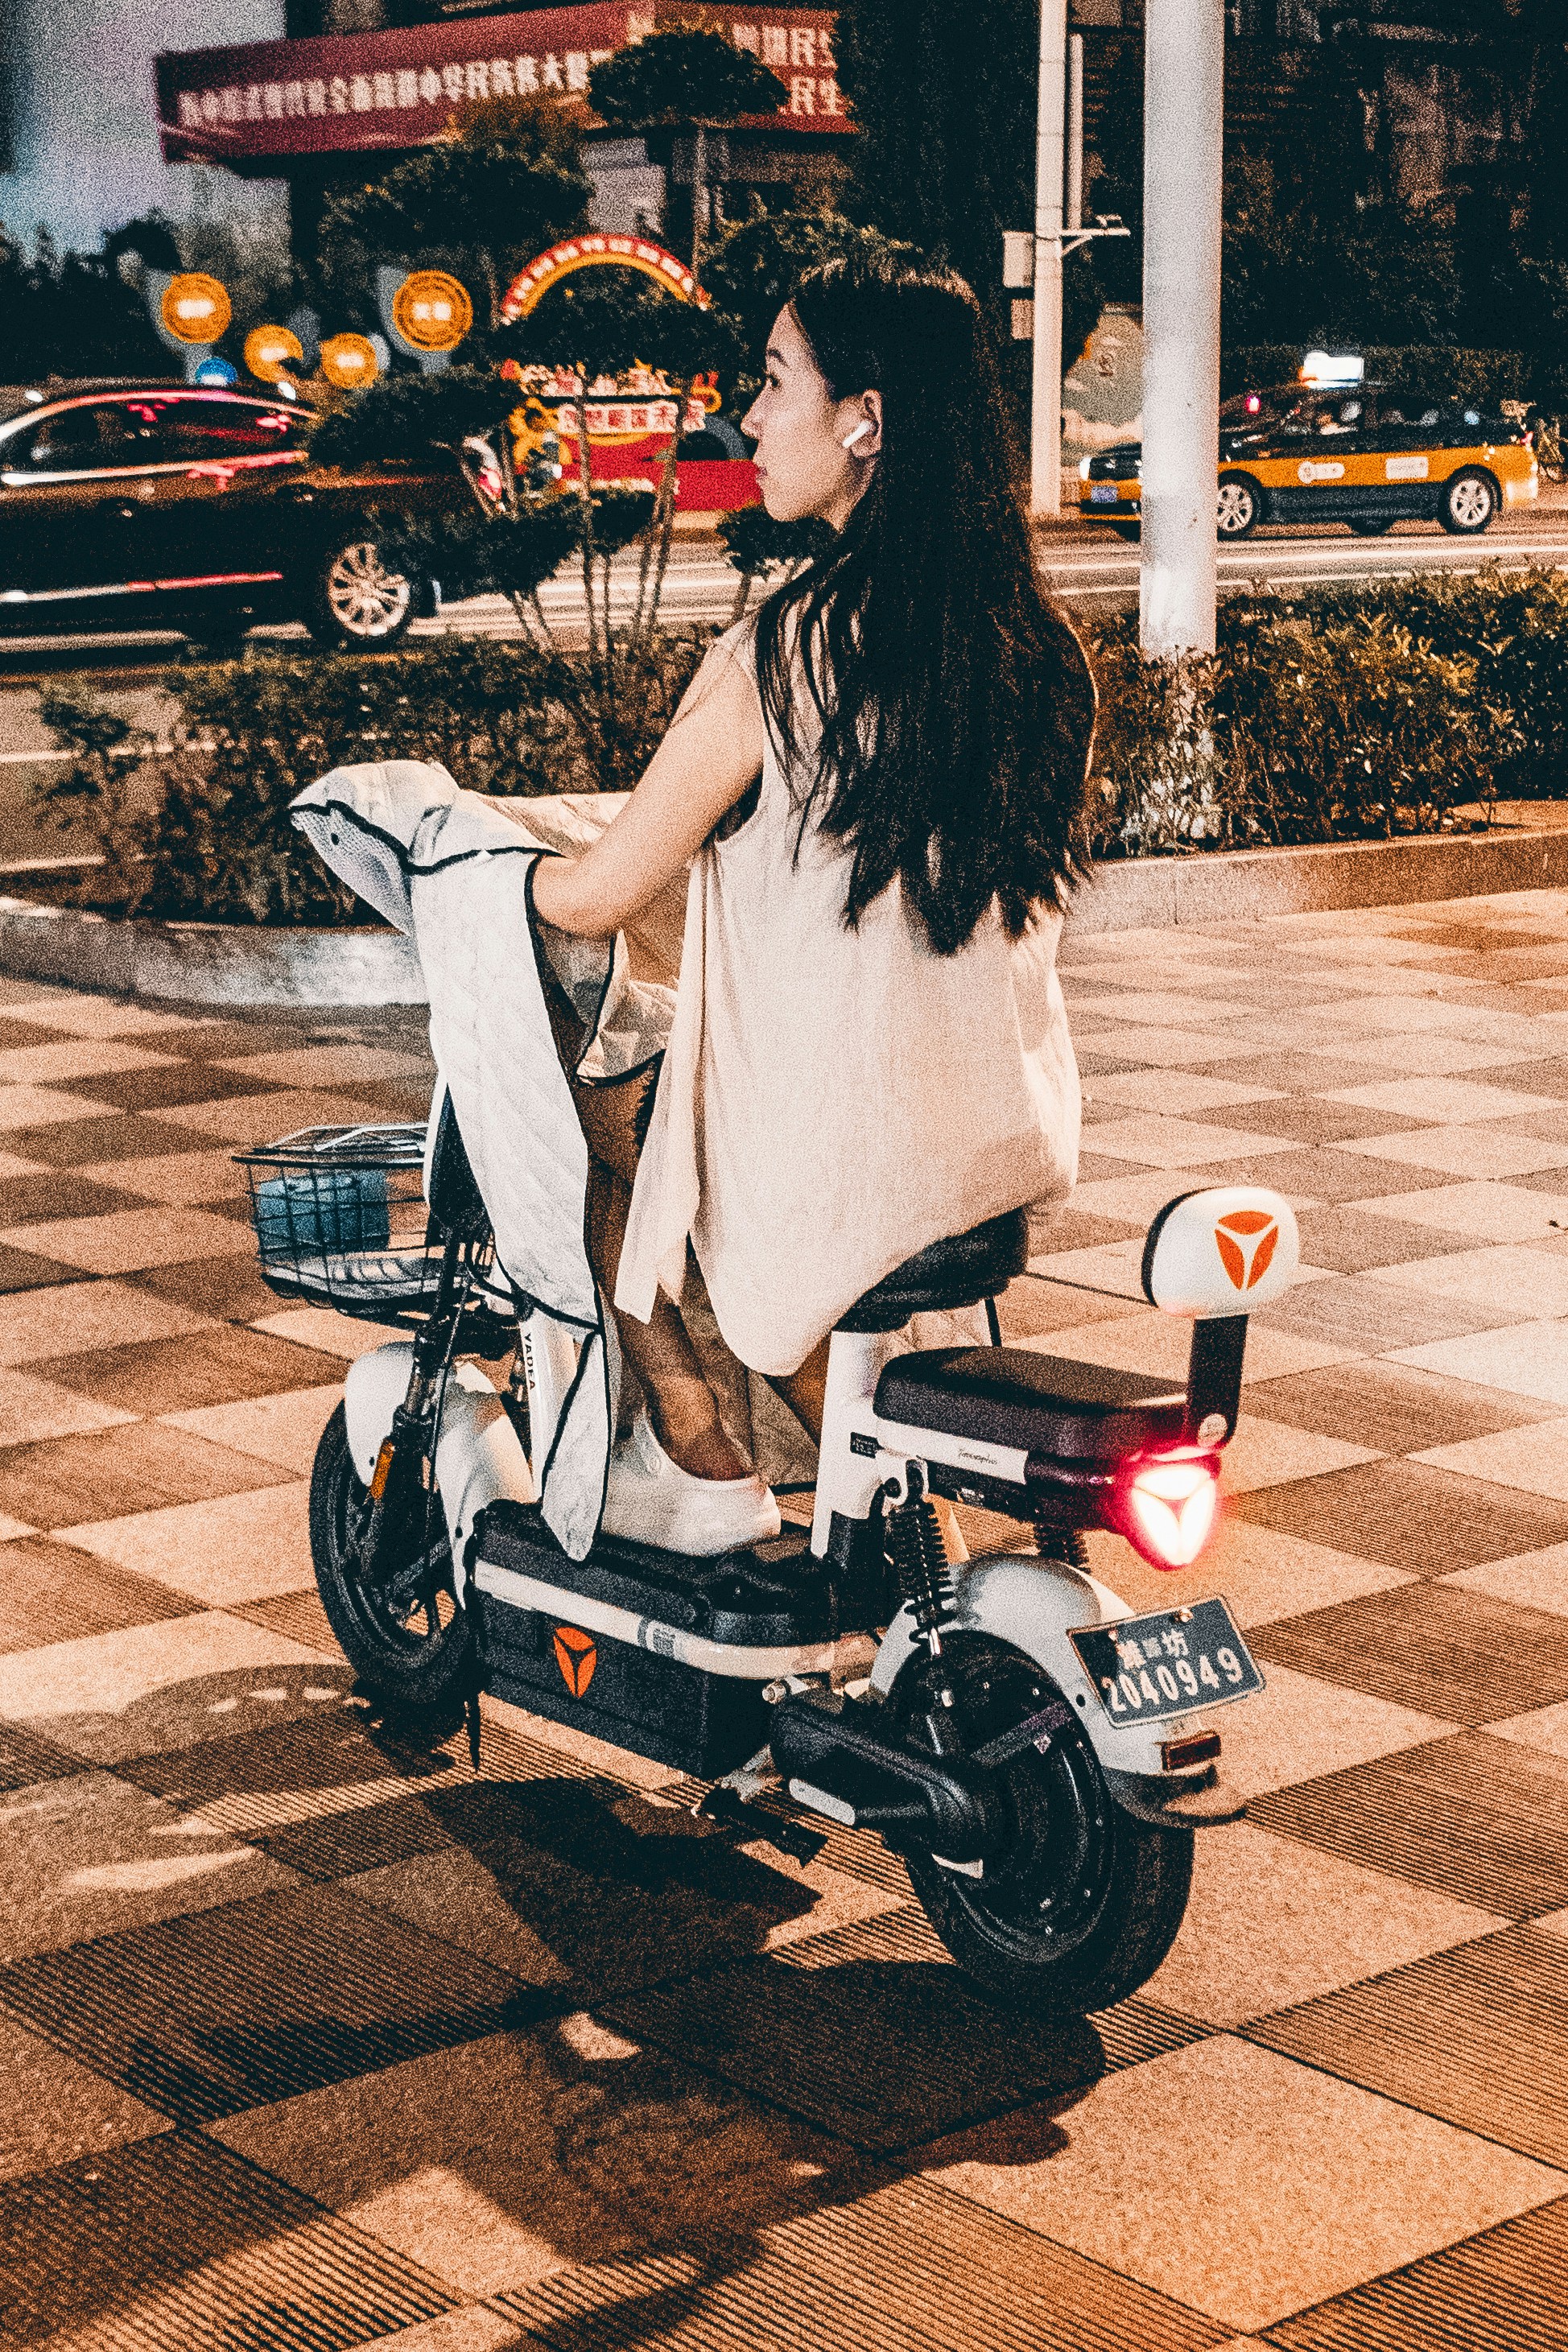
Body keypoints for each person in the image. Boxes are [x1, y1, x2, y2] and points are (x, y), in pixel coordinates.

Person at [530, 254, 1094, 1554]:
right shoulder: (1039, 651)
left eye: (777, 381)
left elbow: (607, 885)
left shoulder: (780, 654)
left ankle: (703, 1441)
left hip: (846, 1166)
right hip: (1004, 1144)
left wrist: (511, 877)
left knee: (605, 1128)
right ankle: (867, 1507)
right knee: (685, 1136)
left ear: (866, 421)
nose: (750, 416)